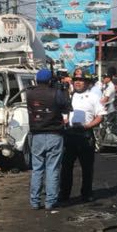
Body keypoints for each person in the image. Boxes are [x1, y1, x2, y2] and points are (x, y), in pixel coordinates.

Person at [25, 68, 70, 210]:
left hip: (36, 135)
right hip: (54, 135)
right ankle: (50, 201)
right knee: (52, 169)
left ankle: (35, 201)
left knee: (37, 169)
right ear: (51, 80)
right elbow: (68, 107)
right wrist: (64, 90)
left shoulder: (29, 93)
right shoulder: (56, 93)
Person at [61, 73, 104, 203]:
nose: (78, 82)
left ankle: (86, 193)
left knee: (87, 167)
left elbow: (100, 116)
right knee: (66, 167)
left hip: (85, 135)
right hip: (70, 134)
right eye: (76, 80)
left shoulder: (94, 97)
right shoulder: (68, 96)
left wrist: (87, 126)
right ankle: (64, 194)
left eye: (81, 80)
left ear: (87, 82)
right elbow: (64, 114)